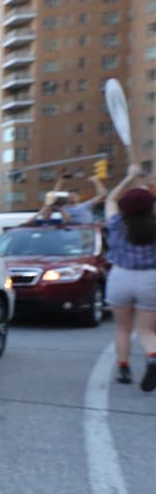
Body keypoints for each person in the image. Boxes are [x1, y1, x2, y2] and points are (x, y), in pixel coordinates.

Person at [103, 164, 156, 389]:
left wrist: (129, 177)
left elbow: (110, 200)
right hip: (150, 279)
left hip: (120, 277)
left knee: (123, 327)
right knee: (146, 329)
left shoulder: (116, 224)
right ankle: (152, 356)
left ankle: (123, 369)